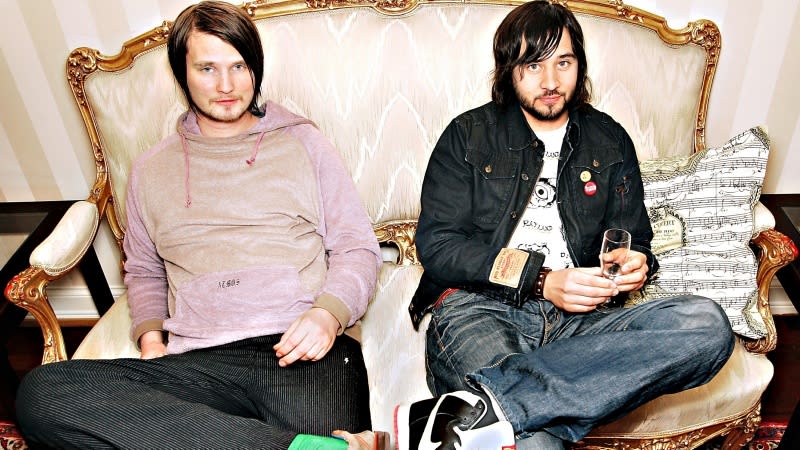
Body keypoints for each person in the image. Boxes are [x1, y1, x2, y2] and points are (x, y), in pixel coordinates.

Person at [15, 2, 390, 449]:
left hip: (303, 350)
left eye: (239, 66)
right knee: (43, 393)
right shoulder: (151, 169)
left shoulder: (304, 143)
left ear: (256, 69)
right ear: (183, 73)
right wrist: (151, 340)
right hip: (199, 360)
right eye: (207, 68)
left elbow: (356, 247)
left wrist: (327, 315)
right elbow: (145, 269)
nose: (226, 86)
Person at [394, 2, 736, 449]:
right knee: (536, 443)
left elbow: (636, 238)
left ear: (580, 67)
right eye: (533, 65)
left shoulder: (609, 139)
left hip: (584, 319)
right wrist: (540, 280)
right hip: (480, 308)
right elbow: (438, 245)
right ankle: (525, 404)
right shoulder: (468, 135)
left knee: (706, 324)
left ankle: (488, 408)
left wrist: (635, 262)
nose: (551, 82)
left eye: (564, 63)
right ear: (508, 70)